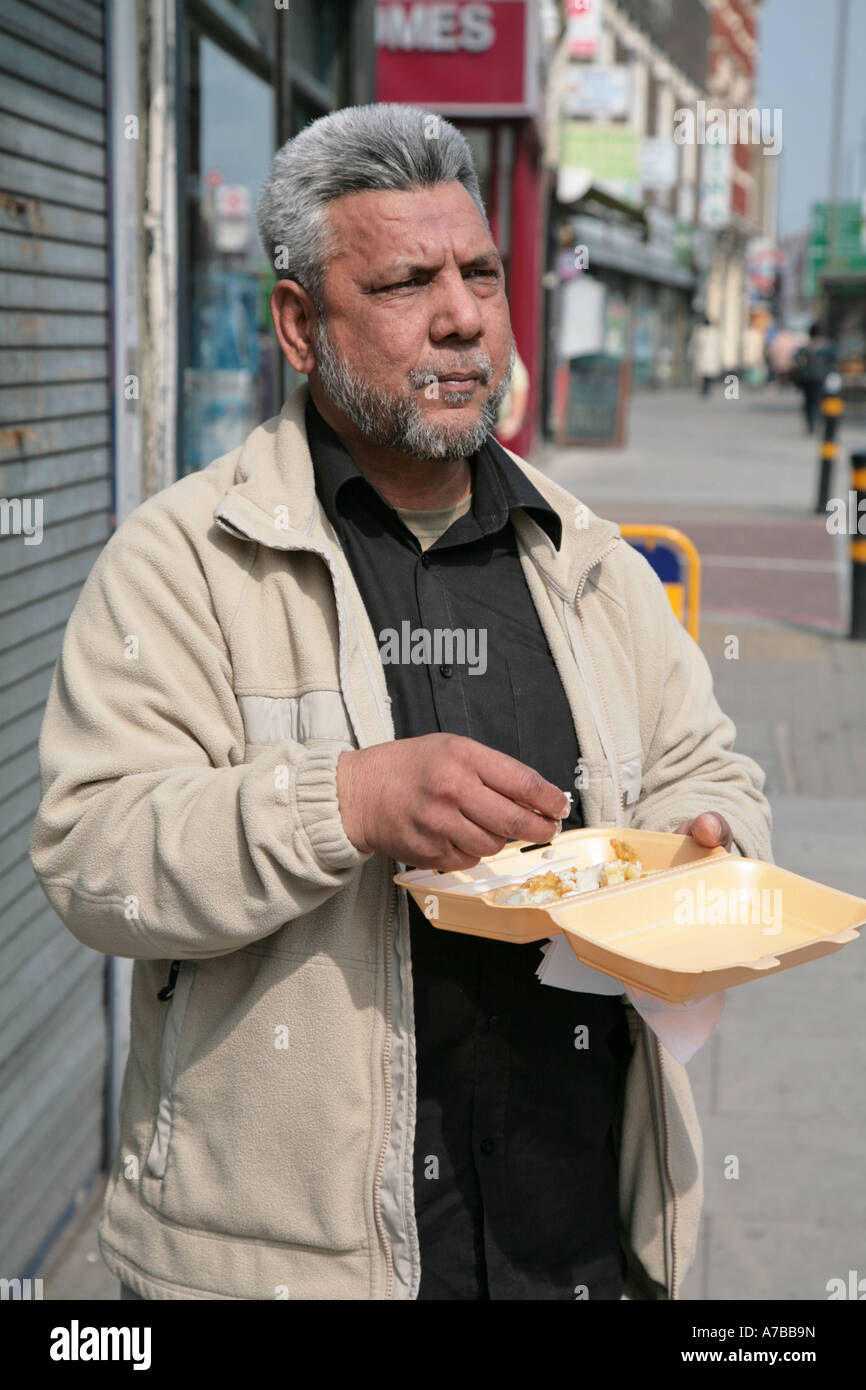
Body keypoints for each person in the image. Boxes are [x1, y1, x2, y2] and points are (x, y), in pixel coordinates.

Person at [29, 104, 772, 1302]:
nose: (462, 316)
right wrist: (349, 804)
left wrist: (706, 848)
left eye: (479, 271)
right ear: (298, 325)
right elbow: (91, 854)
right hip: (292, 1272)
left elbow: (709, 770)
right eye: (404, 282)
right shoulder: (185, 560)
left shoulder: (580, 555)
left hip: (576, 1249)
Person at [791, 321, 837, 435]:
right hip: (820, 378)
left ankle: (811, 423)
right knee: (818, 401)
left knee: (808, 402)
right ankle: (816, 421)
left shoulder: (807, 346)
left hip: (806, 378)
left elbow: (795, 357)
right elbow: (835, 360)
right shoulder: (827, 347)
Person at [688, 314, 721, 396]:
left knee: (707, 374)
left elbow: (693, 344)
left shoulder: (708, 332)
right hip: (705, 356)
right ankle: (705, 389)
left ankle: (705, 389)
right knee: (705, 374)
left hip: (707, 356)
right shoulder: (702, 332)